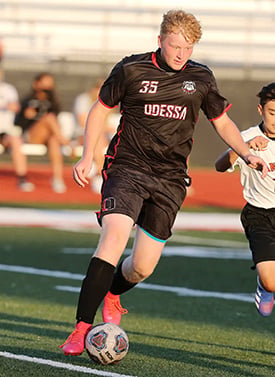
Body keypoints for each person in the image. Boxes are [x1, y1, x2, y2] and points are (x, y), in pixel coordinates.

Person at [60, 9, 268, 356]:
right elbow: (100, 110)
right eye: (175, 46)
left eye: (187, 48)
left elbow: (222, 122)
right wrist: (88, 156)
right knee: (112, 240)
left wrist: (246, 153)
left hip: (170, 179)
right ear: (160, 40)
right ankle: (81, 329)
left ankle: (113, 294)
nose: (180, 54)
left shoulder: (201, 78)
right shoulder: (131, 69)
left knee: (142, 266)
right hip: (127, 168)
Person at [215, 82, 275, 317]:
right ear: (260, 110)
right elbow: (219, 166)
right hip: (259, 215)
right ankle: (265, 286)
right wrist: (244, 150)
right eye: (272, 113)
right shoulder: (247, 137)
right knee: (271, 282)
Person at [14, 72, 68, 193]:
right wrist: (26, 116)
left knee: (54, 140)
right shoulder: (27, 100)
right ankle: (66, 143)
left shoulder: (53, 102)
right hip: (31, 135)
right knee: (49, 118)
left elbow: (56, 120)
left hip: (48, 136)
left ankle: (57, 179)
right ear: (36, 84)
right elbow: (18, 123)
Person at [73, 79, 116, 193]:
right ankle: (100, 171)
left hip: (103, 137)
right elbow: (84, 122)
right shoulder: (83, 100)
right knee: (98, 136)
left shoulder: (109, 101)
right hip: (82, 135)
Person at [0, 68, 34, 191]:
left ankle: (22, 178)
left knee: (16, 141)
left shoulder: (8, 90)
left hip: (5, 131)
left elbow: (15, 107)